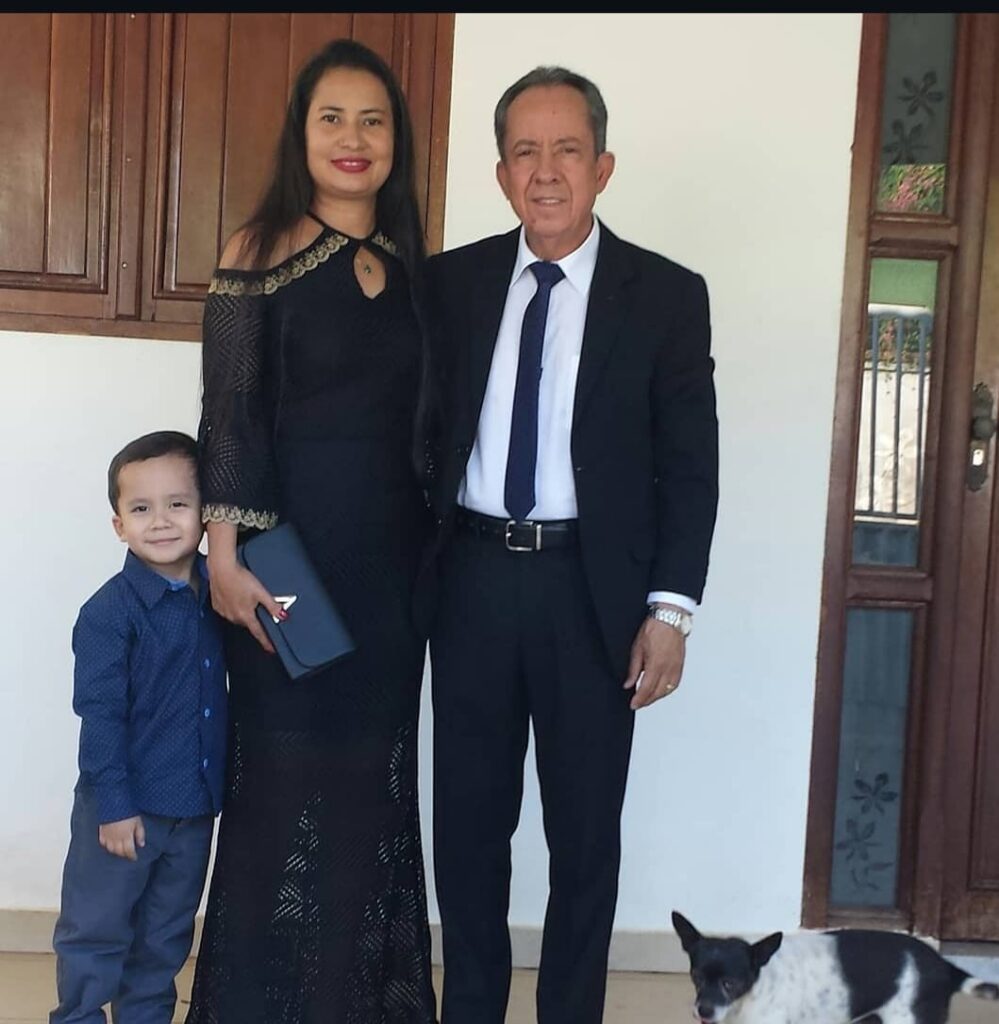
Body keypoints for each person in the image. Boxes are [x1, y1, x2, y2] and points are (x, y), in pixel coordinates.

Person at [425, 66, 719, 1024]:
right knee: (468, 831)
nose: (544, 171)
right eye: (524, 151)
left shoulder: (664, 296)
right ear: (500, 173)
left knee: (584, 840)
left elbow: (691, 468)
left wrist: (670, 611)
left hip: (593, 596)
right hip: (469, 583)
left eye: (565, 150)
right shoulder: (450, 285)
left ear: (602, 167)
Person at [184, 38, 436, 1023]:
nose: (352, 137)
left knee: (369, 791)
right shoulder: (259, 248)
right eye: (332, 117)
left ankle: (349, 1003)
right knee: (284, 785)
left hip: (393, 574)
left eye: (373, 119)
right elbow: (229, 413)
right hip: (283, 565)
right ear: (301, 132)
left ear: (396, 139)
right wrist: (223, 556)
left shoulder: (415, 267)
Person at [50, 431, 226, 1024]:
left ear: (205, 514)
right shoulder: (108, 613)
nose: (162, 521)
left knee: (165, 939)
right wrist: (115, 806)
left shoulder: (220, 593)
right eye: (142, 508)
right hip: (124, 810)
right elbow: (100, 714)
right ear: (118, 524)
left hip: (193, 810)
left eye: (178, 504)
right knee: (96, 930)